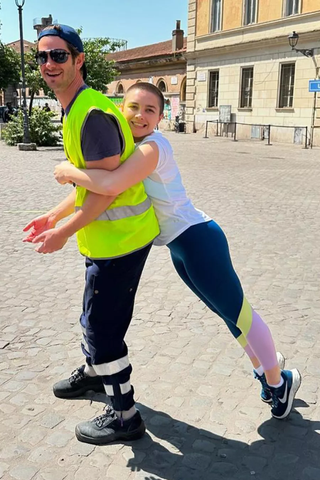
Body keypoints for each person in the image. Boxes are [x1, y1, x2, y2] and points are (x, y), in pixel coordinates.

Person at [54, 82, 302, 422]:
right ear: (120, 109)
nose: (140, 115)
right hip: (179, 248)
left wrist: (68, 171)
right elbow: (99, 185)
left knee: (240, 313)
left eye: (150, 110)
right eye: (133, 107)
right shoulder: (129, 149)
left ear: (160, 118)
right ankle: (267, 369)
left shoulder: (152, 148)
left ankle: (279, 382)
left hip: (199, 240)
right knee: (229, 317)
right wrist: (54, 215)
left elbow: (109, 185)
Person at [23, 26, 159, 446]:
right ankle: (94, 374)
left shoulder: (92, 113)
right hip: (107, 241)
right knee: (93, 316)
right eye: (42, 57)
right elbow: (91, 184)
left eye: (59, 56)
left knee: (102, 328)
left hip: (121, 242)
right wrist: (53, 215)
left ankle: (125, 414)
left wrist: (63, 231)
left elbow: (109, 189)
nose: (48, 64)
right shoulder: (76, 106)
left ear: (79, 60)